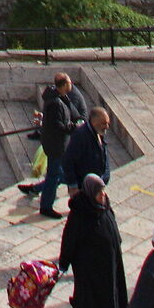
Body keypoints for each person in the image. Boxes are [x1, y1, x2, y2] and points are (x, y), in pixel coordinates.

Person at [64, 173, 131, 308]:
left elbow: (112, 226)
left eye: (103, 191)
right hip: (92, 273)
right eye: (99, 192)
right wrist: (63, 262)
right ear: (90, 193)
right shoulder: (80, 214)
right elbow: (69, 240)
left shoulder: (104, 207)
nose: (103, 195)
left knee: (112, 303)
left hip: (111, 267)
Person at [37, 72, 90, 218]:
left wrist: (78, 120)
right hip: (56, 145)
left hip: (56, 143)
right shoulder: (55, 103)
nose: (71, 85)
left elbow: (72, 112)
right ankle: (46, 206)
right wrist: (74, 126)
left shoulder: (59, 97)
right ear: (64, 85)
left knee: (57, 173)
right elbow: (58, 126)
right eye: (69, 83)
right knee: (54, 174)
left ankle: (45, 196)